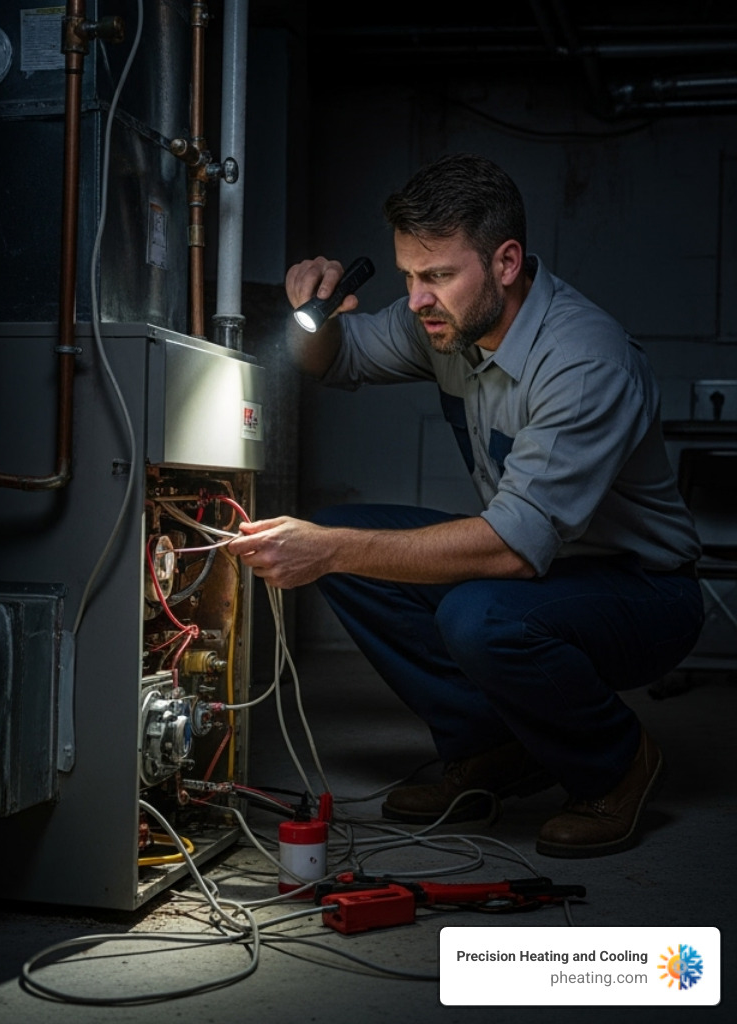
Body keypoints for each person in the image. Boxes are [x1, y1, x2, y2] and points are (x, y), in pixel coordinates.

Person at [225, 154, 703, 859]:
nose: (417, 300)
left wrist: (326, 546)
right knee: (355, 557)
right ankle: (496, 749)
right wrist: (319, 306)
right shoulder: (444, 324)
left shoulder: (584, 360)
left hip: (643, 591)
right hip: (546, 569)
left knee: (472, 615)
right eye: (408, 276)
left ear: (506, 262)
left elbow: (509, 550)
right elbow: (333, 358)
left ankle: (617, 762)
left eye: (438, 276)